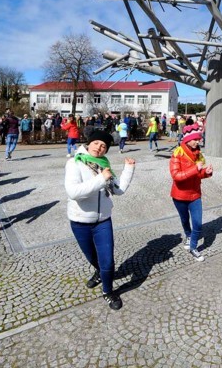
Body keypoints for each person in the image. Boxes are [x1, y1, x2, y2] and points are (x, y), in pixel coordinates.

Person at [65, 130, 135, 310]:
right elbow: (74, 192)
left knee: (108, 260)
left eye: (104, 146)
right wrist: (100, 179)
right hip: (80, 221)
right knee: (92, 257)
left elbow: (118, 190)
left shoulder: (105, 166)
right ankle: (98, 273)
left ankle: (108, 291)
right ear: (88, 144)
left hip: (103, 220)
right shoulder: (74, 163)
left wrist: (129, 169)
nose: (100, 147)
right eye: (96, 143)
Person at [169, 125, 213, 261]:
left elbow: (198, 174)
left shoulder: (198, 154)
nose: (198, 142)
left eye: (199, 139)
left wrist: (206, 172)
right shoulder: (177, 154)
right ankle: (188, 235)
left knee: (198, 223)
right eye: (195, 139)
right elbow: (176, 176)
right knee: (184, 220)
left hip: (195, 195)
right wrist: (195, 169)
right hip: (179, 195)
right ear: (187, 140)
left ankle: (193, 247)